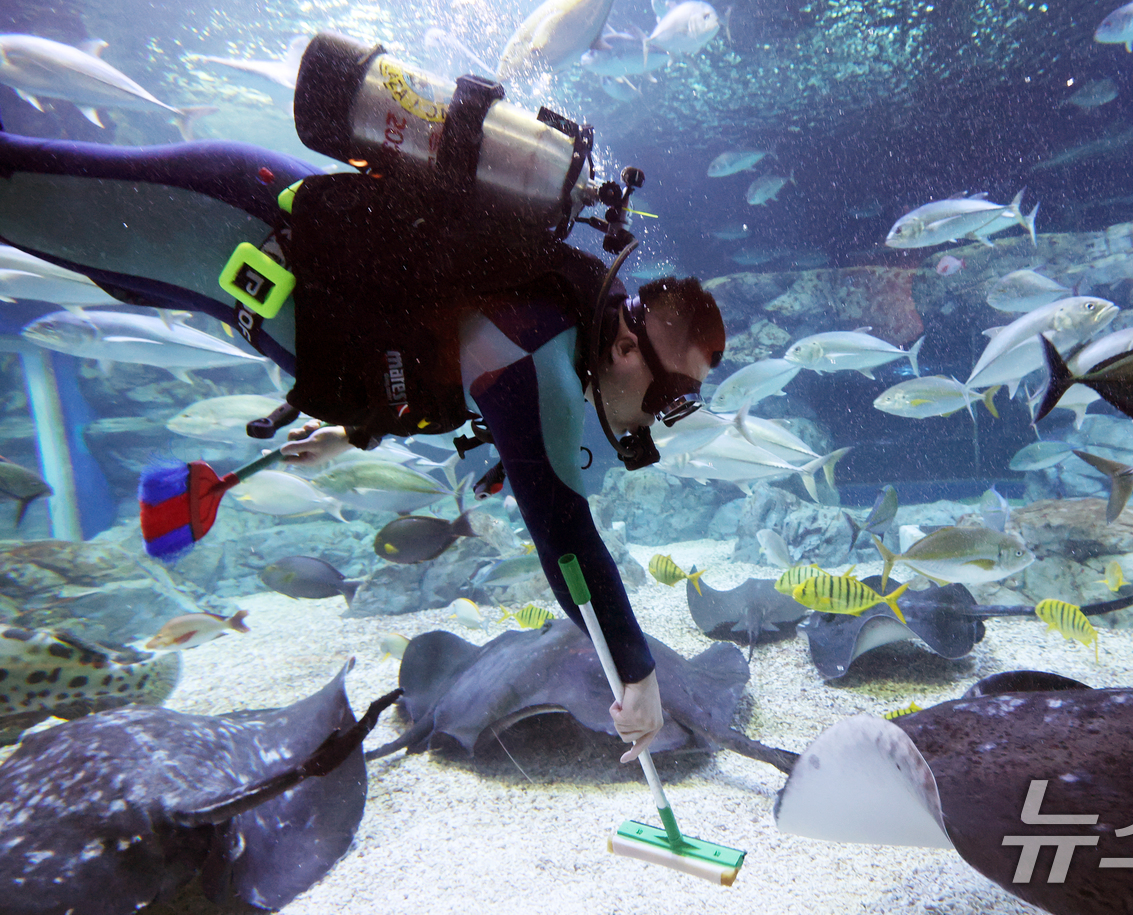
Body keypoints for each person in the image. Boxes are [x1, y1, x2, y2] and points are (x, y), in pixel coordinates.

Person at [0, 120, 724, 763]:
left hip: (227, 263)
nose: (664, 417)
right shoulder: (541, 346)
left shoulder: (560, 326)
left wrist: (348, 436)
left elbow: (441, 345)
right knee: (17, 190)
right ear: (628, 345)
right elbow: (564, 534)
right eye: (673, 395)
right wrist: (637, 672)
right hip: (223, 224)